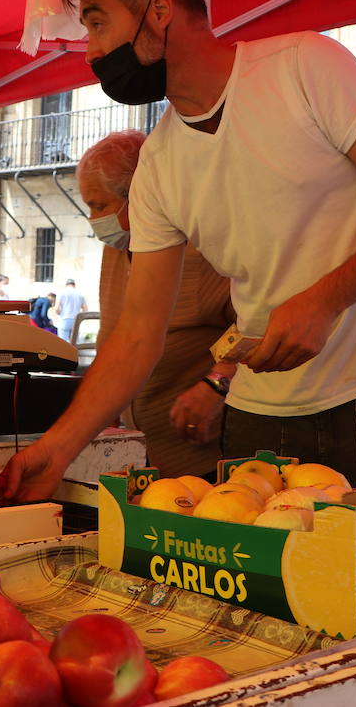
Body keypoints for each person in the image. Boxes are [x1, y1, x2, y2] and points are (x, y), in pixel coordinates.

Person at [0, 0, 356, 501]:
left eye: (97, 24)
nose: (91, 53)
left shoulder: (304, 66)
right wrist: (58, 447)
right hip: (258, 415)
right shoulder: (158, 166)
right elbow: (137, 333)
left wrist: (324, 301)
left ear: (159, 10)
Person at [80, 130, 236, 476]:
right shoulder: (117, 249)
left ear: (141, 194)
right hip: (137, 455)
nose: (94, 220)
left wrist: (218, 383)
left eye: (100, 206)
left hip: (203, 460)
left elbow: (257, 324)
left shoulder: (203, 250)